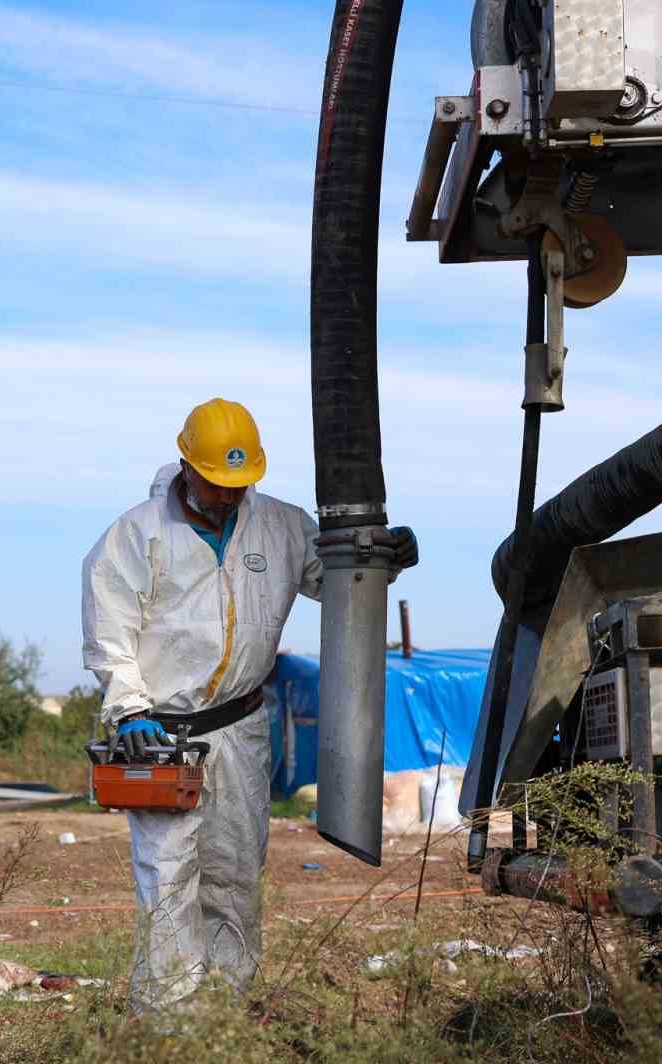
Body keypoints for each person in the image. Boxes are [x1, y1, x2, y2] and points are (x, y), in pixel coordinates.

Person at [81, 398, 418, 1014]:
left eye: (240, 484)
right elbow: (110, 635)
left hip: (240, 729)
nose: (228, 495)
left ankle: (225, 1014)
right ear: (187, 466)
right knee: (169, 879)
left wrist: (379, 560)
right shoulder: (136, 535)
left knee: (234, 876)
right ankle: (169, 1026)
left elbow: (336, 580)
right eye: (216, 482)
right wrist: (129, 709)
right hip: (162, 736)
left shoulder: (283, 527)